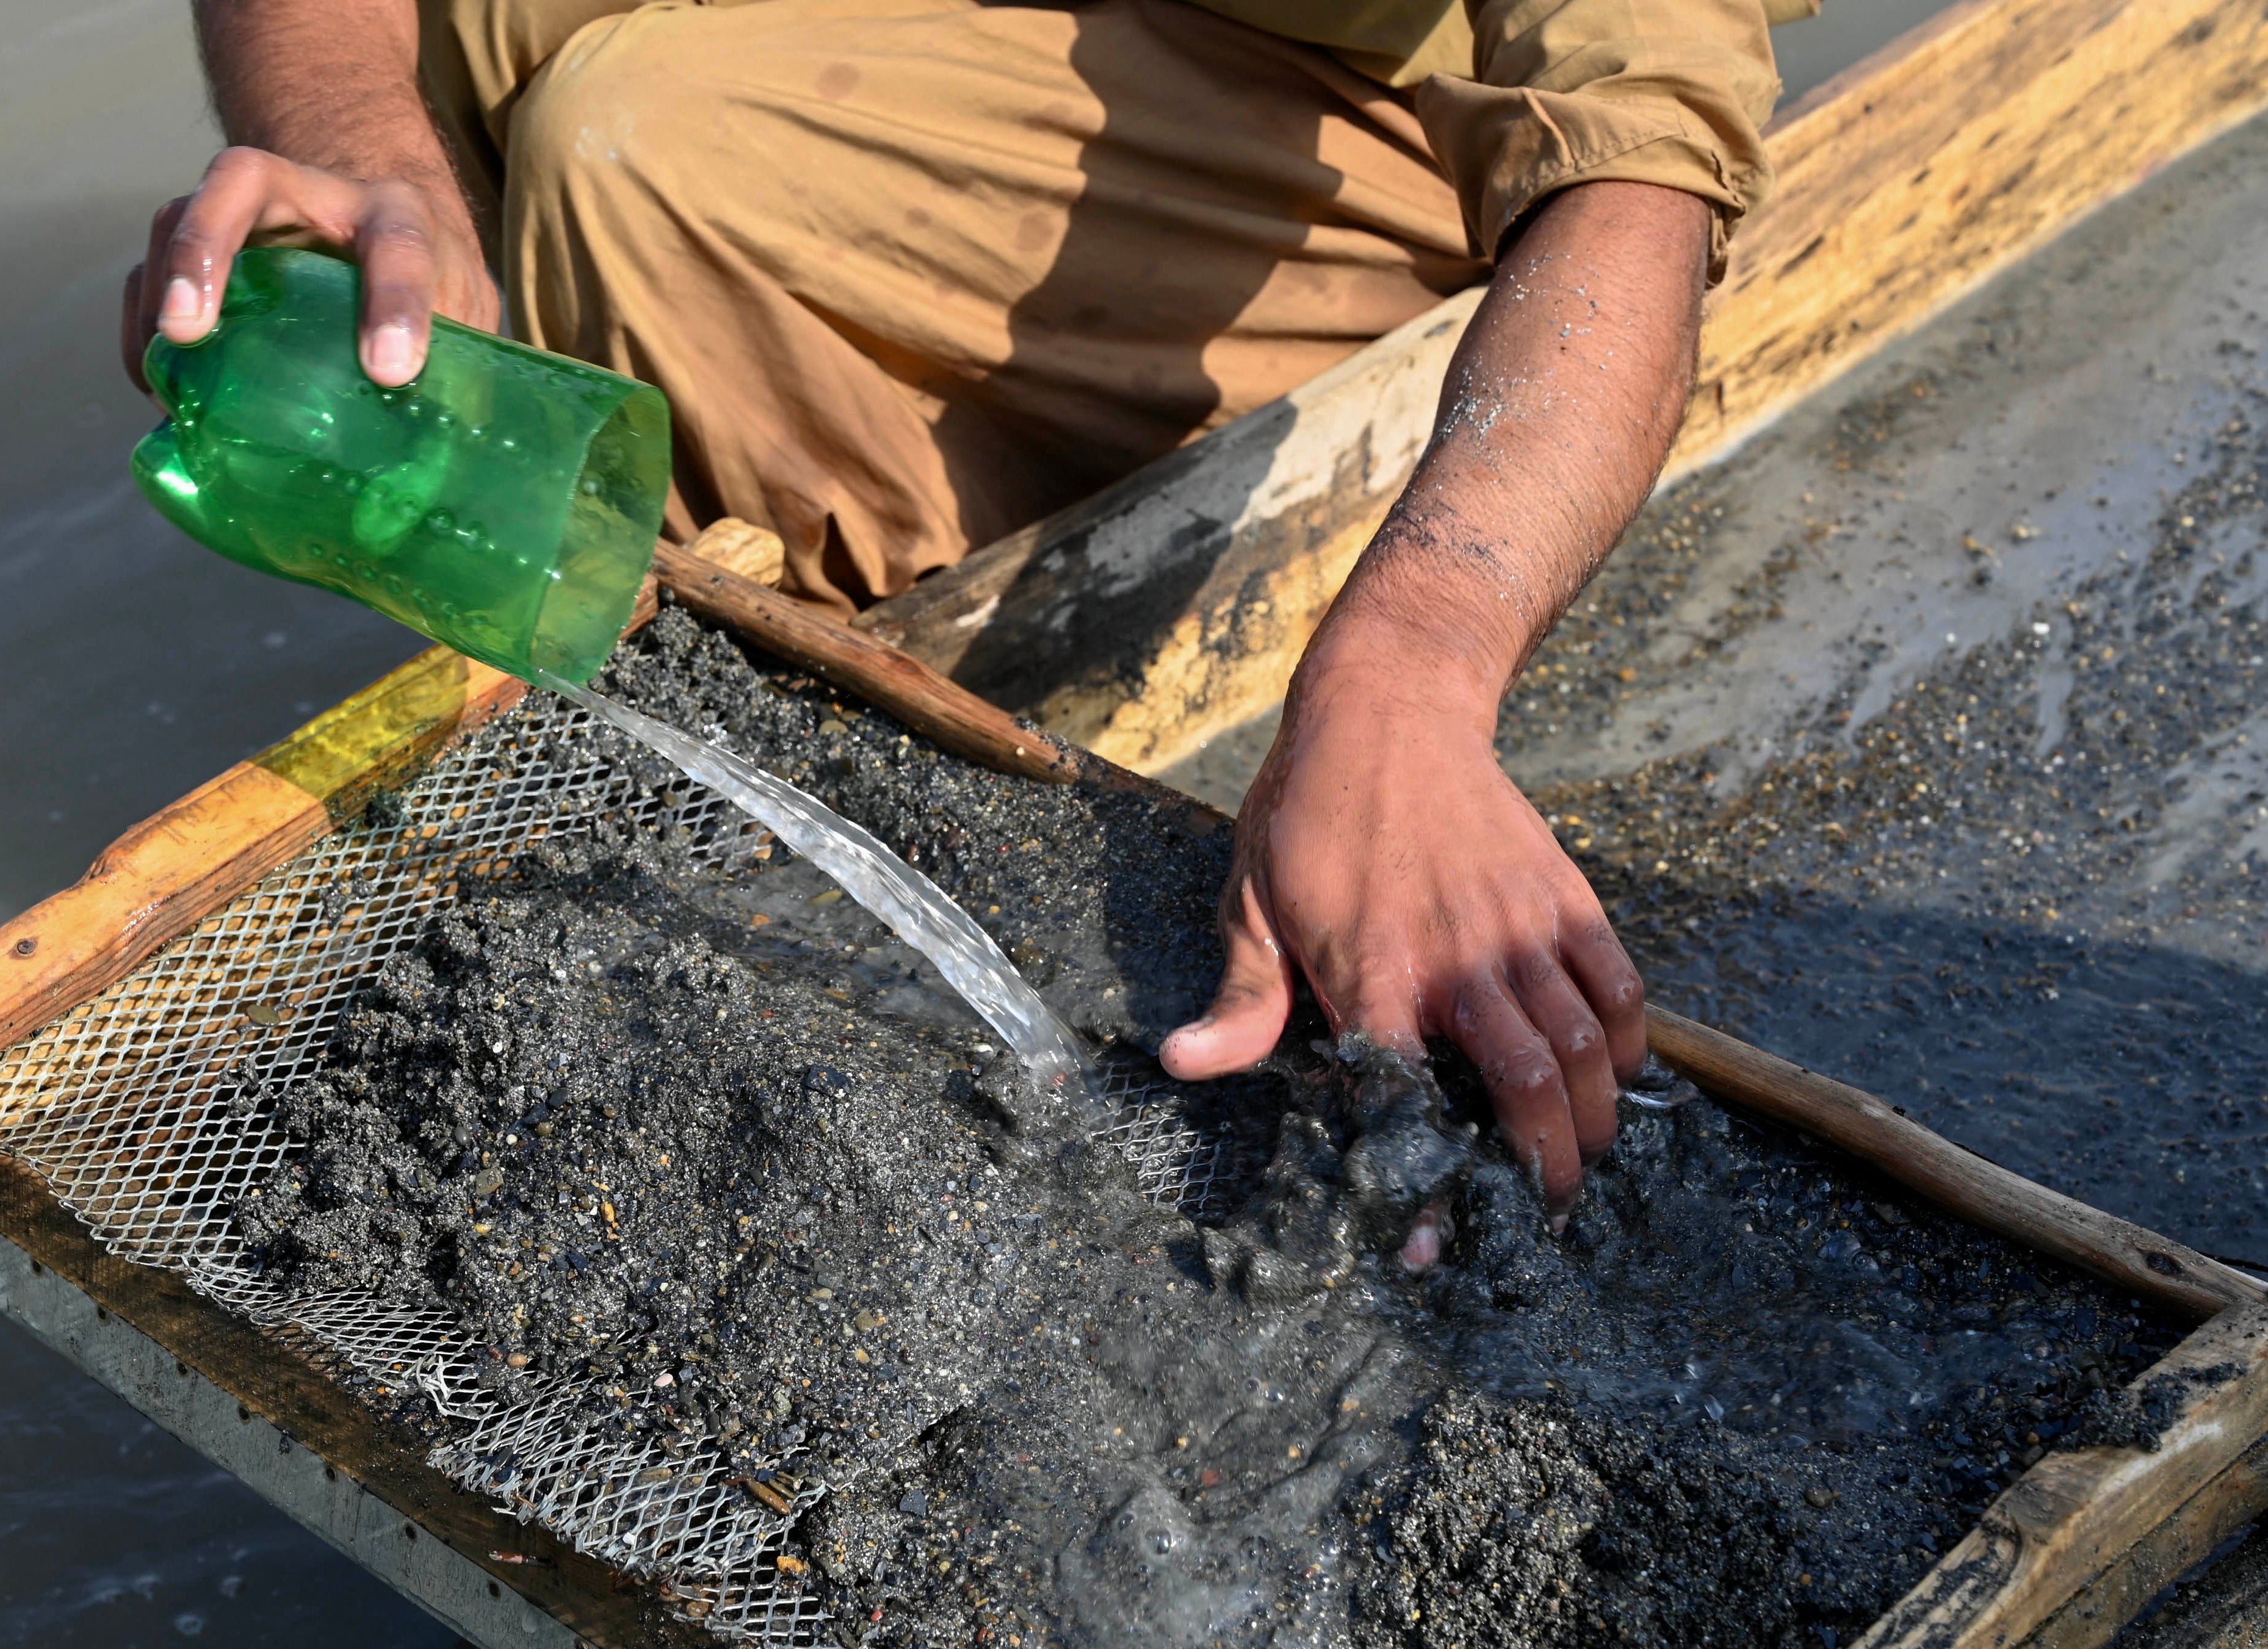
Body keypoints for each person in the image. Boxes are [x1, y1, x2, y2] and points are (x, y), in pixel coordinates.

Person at [123, 0, 1790, 1265]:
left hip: (1339, 176)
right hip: (840, 99)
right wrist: (383, 181)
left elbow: (1635, 163)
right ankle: (753, 585)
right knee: (583, 116)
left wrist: (1409, 671)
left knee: (637, 149)